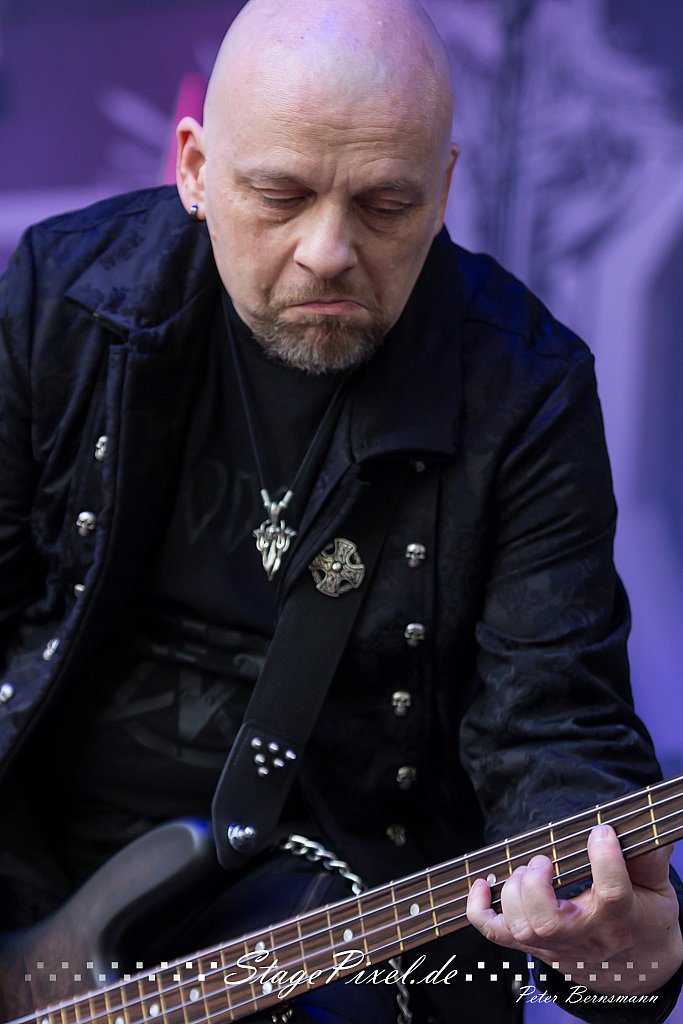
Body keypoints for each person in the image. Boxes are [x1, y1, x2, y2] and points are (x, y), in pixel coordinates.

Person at [0, 0, 681, 1021]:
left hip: (345, 934)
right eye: (279, 196)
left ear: (443, 189)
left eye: (385, 205)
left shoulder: (522, 388)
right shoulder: (67, 296)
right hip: (36, 898)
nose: (327, 250)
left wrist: (620, 950)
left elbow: (551, 724)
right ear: (193, 168)